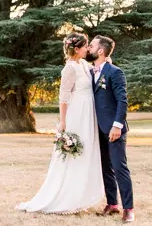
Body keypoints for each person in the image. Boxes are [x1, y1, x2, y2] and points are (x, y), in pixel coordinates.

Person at [15, 33, 104, 214]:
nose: (88, 49)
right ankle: (65, 197)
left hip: (89, 115)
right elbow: (63, 98)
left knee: (86, 152)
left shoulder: (84, 65)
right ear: (77, 49)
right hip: (77, 114)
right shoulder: (70, 69)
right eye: (86, 46)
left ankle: (81, 195)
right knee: (74, 155)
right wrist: (63, 122)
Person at [85, 35, 135, 223]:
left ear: (100, 51)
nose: (88, 48)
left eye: (91, 46)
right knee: (106, 167)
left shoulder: (115, 72)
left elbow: (123, 101)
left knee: (119, 167)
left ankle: (128, 208)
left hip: (114, 129)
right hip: (97, 129)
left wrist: (117, 125)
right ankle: (112, 204)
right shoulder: (90, 72)